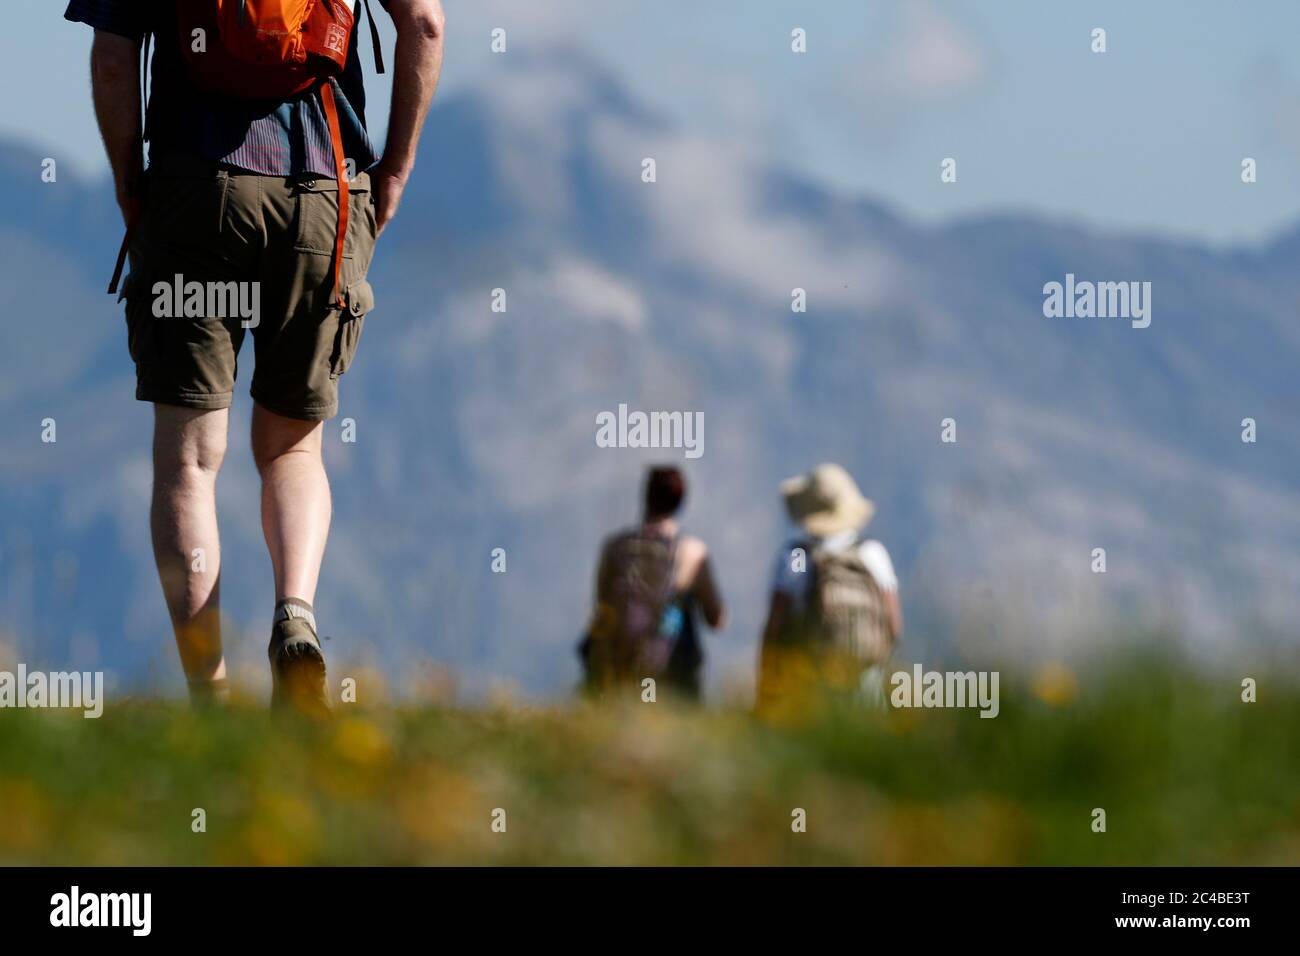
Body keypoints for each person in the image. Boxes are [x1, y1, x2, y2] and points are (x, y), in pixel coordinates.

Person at [66, 0, 445, 713]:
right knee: (293, 448)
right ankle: (295, 611)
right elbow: (423, 22)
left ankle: (207, 695)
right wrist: (393, 168)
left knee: (188, 457)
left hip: (194, 192)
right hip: (324, 190)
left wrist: (129, 183)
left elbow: (113, 55)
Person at [758, 463, 902, 712]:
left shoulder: (795, 557)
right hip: (865, 674)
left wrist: (767, 680)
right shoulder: (872, 554)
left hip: (809, 673)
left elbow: (776, 622)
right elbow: (894, 624)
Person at [583, 466, 727, 701]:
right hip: (669, 671)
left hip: (619, 667)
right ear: (681, 500)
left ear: (646, 496)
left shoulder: (615, 546)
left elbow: (602, 605)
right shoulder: (693, 552)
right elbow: (715, 619)